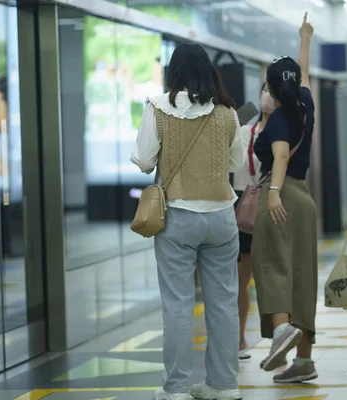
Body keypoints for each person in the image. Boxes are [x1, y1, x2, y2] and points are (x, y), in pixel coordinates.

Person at [131, 44, 244, 400]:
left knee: (178, 305)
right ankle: (223, 385)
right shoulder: (227, 111)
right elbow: (237, 163)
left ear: (173, 71)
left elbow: (144, 160)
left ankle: (176, 388)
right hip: (222, 216)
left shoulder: (157, 107)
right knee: (224, 303)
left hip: (178, 217)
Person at [251, 13, 319, 383]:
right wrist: (305, 37)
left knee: (273, 265)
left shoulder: (278, 119)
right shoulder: (305, 105)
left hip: (282, 194)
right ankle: (304, 362)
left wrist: (274, 192)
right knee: (302, 274)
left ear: (273, 90)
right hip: (306, 200)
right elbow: (303, 74)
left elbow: (279, 156)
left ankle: (281, 332)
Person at [232, 82, 275, 360]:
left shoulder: (287, 133)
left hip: (273, 210)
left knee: (273, 280)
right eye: (264, 89)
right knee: (241, 280)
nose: (266, 95)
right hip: (245, 212)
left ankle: (279, 340)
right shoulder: (243, 133)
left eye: (271, 90)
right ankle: (239, 339)